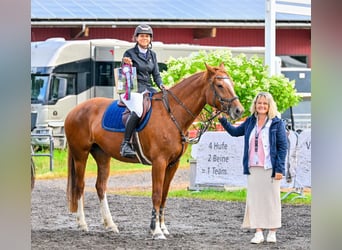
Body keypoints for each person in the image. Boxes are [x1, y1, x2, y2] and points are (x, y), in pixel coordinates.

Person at [216, 92, 287, 244]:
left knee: (272, 200)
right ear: (255, 105)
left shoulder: (276, 123)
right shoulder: (250, 122)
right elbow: (235, 132)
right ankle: (258, 232)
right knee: (255, 200)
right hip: (253, 167)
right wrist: (222, 119)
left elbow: (282, 147)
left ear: (269, 106)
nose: (261, 106)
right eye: (259, 103)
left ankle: (272, 231)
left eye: (265, 104)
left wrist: (280, 169)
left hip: (270, 167)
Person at [119, 24, 166, 158]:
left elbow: (156, 74)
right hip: (131, 88)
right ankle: (125, 144)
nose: (144, 38)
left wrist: (161, 85)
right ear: (136, 38)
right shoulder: (129, 53)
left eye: (147, 36)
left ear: (150, 39)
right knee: (139, 110)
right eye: (141, 36)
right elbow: (124, 71)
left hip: (147, 88)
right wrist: (125, 64)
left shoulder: (152, 54)